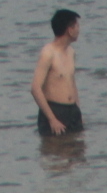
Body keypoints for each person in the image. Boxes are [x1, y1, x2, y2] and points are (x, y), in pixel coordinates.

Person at [30, 9, 82, 138]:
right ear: (69, 30)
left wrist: (78, 110)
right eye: (76, 26)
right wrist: (52, 119)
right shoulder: (48, 53)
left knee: (78, 153)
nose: (79, 29)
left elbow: (72, 83)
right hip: (55, 110)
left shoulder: (71, 52)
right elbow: (35, 88)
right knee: (54, 153)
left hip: (72, 111)